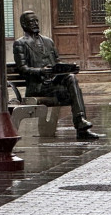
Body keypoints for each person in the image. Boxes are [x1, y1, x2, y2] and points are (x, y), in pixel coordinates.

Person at [13, 11, 100, 140]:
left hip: (53, 84)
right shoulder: (20, 43)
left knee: (71, 77)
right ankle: (81, 127)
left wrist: (67, 68)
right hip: (38, 87)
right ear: (24, 24)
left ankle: (81, 121)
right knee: (75, 92)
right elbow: (23, 69)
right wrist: (40, 71)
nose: (36, 24)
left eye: (37, 21)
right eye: (32, 22)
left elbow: (57, 62)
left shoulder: (48, 41)